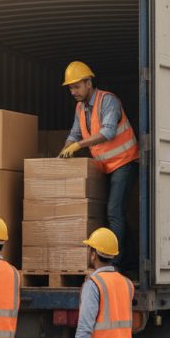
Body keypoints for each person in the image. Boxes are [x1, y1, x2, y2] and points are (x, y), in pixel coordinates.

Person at [58, 61, 139, 271]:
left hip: (124, 161)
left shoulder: (108, 101)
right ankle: (131, 258)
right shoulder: (80, 108)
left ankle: (117, 264)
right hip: (104, 166)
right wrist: (63, 153)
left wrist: (78, 146)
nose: (73, 91)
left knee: (113, 211)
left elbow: (108, 132)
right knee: (113, 212)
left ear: (88, 82)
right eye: (70, 88)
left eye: (76, 86)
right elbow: (74, 134)